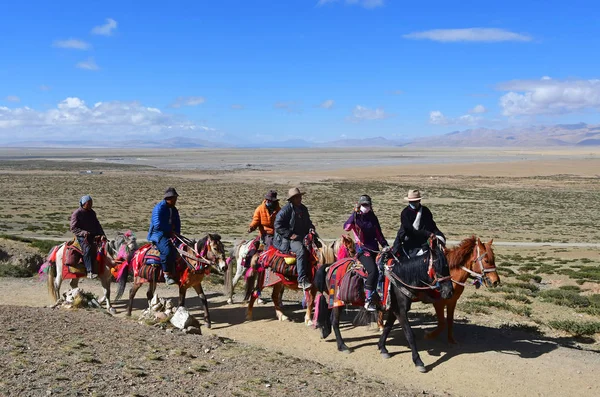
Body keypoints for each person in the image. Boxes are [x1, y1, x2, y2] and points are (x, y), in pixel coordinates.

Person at [343, 195, 389, 311]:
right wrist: (354, 214)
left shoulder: (373, 217)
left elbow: (379, 234)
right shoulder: (355, 218)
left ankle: (384, 297)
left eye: (367, 205)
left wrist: (385, 245)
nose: (365, 207)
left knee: (386, 268)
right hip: (362, 250)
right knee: (373, 270)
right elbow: (347, 227)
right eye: (363, 205)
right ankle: (368, 300)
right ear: (359, 205)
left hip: (374, 249)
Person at [273, 187, 316, 290]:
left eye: (300, 196)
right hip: (288, 240)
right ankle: (302, 280)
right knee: (301, 251)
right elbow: (277, 225)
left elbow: (308, 222)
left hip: (302, 236)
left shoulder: (303, 209)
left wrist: (311, 228)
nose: (299, 199)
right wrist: (289, 234)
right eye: (297, 197)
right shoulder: (285, 210)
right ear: (291, 199)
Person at [392, 189, 445, 259]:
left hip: (424, 243)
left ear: (419, 200)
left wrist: (439, 236)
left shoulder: (426, 211)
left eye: (415, 201)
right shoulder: (405, 213)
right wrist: (428, 233)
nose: (413, 203)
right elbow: (410, 231)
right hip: (410, 244)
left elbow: (432, 226)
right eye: (411, 201)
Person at [147, 187, 181, 285]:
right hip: (158, 234)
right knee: (167, 251)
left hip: (170, 233)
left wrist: (178, 234)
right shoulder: (158, 208)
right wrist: (170, 230)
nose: (176, 201)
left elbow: (177, 223)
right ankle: (166, 274)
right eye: (174, 199)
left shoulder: (174, 209)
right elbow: (157, 224)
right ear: (169, 198)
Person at [70, 195, 107, 279]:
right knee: (88, 249)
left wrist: (102, 234)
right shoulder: (77, 213)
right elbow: (73, 228)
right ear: (83, 204)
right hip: (82, 237)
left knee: (105, 247)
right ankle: (89, 271)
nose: (91, 204)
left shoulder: (92, 213)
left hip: (93, 235)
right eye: (89, 203)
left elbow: (97, 225)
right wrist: (83, 233)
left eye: (91, 203)